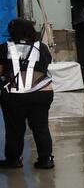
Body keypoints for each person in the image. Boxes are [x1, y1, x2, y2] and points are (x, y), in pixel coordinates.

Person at [0, 18, 54, 169]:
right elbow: (47, 63)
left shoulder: (4, 48)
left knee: (14, 128)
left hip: (14, 94)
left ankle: (14, 159)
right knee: (41, 126)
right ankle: (46, 159)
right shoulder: (40, 47)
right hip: (42, 92)